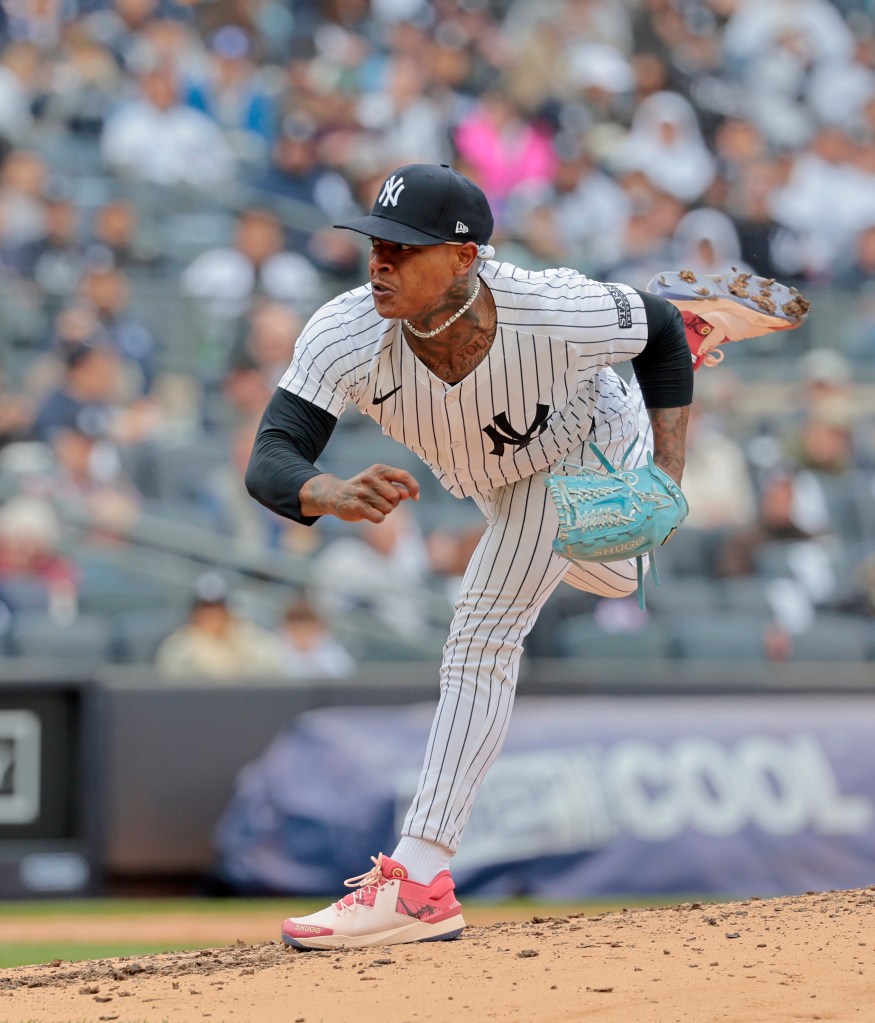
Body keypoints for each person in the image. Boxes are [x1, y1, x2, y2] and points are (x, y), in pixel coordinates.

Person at [245, 162, 803, 949]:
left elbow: (653, 330)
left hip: (590, 446)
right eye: (377, 241)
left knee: (481, 630)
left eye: (405, 247)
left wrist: (664, 479)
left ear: (465, 258)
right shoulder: (346, 331)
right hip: (497, 486)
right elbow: (271, 455)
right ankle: (696, 330)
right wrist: (324, 490)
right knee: (615, 576)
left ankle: (420, 880)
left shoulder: (547, 304)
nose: (381, 259)